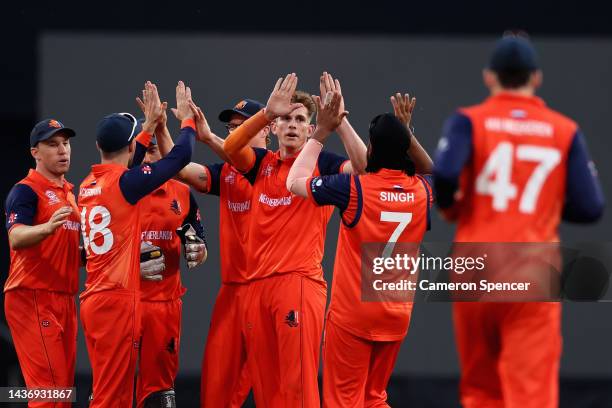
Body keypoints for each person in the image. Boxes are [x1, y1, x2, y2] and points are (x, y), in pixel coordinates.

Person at [433, 34, 605, 408]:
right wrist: (546, 204)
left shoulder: (467, 121)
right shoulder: (563, 130)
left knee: (481, 391)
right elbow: (591, 207)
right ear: (536, 77)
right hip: (532, 268)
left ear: (489, 77)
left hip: (475, 264)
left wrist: (452, 207)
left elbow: (444, 174)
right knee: (530, 395)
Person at [222, 72, 367, 407]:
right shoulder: (261, 164)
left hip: (298, 284)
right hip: (255, 287)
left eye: (300, 119)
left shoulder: (324, 165)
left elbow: (363, 168)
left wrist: (338, 123)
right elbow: (231, 148)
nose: (291, 125)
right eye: (285, 119)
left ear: (308, 128)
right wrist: (266, 112)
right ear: (274, 128)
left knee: (298, 388)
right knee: (268, 391)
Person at [287, 90, 433, 406]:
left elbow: (294, 181)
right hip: (397, 315)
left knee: (345, 402)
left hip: (354, 317)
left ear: (373, 149)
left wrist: (324, 131)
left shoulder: (355, 189)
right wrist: (407, 135)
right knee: (375, 398)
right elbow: (427, 168)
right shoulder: (422, 191)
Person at [78, 81, 197, 407]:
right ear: (131, 149)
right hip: (117, 301)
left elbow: (132, 160)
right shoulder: (127, 185)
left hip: (93, 297)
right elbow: (183, 154)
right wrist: (186, 119)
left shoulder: (88, 183)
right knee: (112, 397)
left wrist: (147, 129)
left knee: (106, 388)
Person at [152, 97, 269, 407]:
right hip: (232, 293)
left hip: (268, 291)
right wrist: (167, 127)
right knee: (216, 394)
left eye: (241, 126)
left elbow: (245, 162)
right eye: (230, 128)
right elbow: (177, 167)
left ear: (265, 128)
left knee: (278, 393)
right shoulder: (227, 173)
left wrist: (204, 135)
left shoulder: (275, 169)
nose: (234, 133)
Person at [4, 119, 80, 407]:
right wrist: (46, 229)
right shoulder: (25, 190)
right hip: (32, 295)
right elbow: (17, 236)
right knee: (48, 395)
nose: (62, 150)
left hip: (64, 299)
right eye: (52, 144)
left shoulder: (69, 194)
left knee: (62, 394)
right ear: (35, 152)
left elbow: (71, 251)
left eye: (66, 143)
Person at [134, 132, 207, 407]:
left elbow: (199, 241)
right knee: (112, 387)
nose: (151, 158)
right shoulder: (118, 190)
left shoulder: (182, 193)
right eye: (145, 150)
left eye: (156, 151)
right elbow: (95, 250)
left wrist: (198, 251)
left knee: (161, 392)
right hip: (123, 301)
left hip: (165, 305)